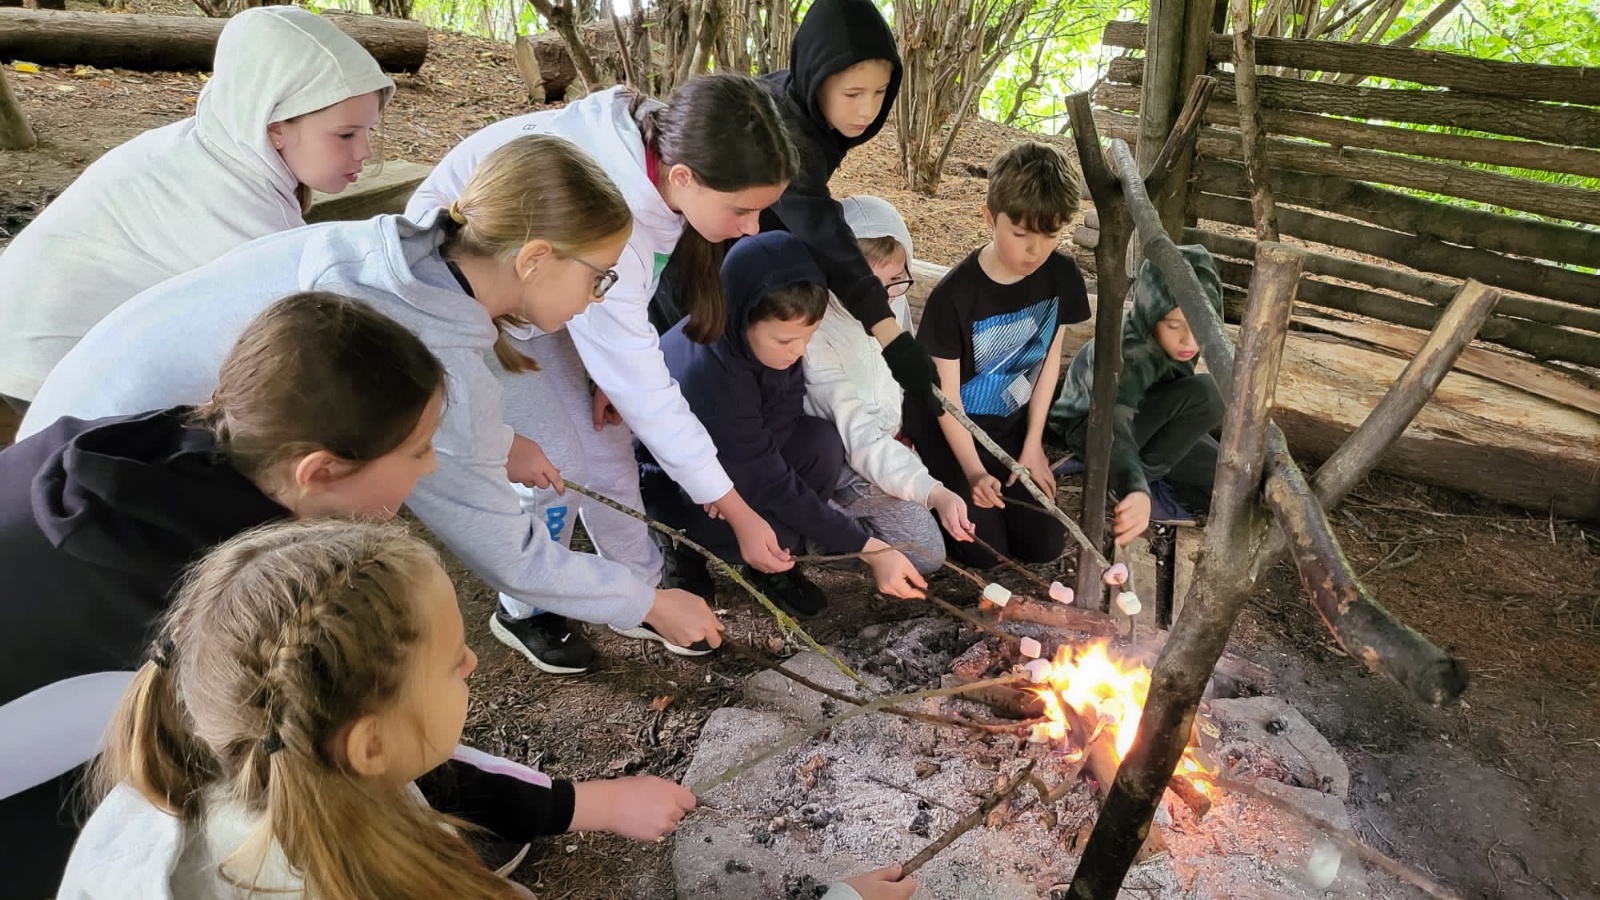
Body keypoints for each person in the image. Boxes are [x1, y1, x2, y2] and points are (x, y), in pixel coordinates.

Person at [20, 135, 725, 678]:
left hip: (78, 439)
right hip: (119, 501)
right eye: (599, 278)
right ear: (534, 258)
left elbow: (453, 418)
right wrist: (650, 601)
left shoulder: (409, 253)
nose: (598, 297)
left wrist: (500, 442)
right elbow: (511, 556)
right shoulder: (429, 348)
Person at [0, 292, 444, 896]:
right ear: (319, 471)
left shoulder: (183, 444)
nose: (431, 466)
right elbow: (331, 738)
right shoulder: (225, 595)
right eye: (418, 450)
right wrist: (554, 805)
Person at [56, 520, 705, 900]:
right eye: (453, 661)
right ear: (369, 744)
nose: (473, 662)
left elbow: (437, 772)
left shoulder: (260, 740)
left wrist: (601, 804)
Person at [406, 74, 796, 671]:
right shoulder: (620, 213)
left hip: (550, 291)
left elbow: (619, 330)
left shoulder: (657, 161)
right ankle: (527, 608)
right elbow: (643, 381)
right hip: (477, 300)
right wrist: (735, 509)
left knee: (608, 448)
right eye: (741, 209)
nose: (753, 227)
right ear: (683, 178)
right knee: (556, 463)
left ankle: (637, 590)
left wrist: (603, 369)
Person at [0, 6, 393, 412]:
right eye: (346, 135)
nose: (364, 151)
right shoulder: (227, 202)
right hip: (50, 372)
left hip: (42, 349)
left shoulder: (208, 148)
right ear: (274, 128)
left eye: (368, 130)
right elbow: (299, 334)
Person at [647, 232, 927, 616]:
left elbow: (780, 426)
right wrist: (868, 547)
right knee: (734, 514)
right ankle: (681, 545)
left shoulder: (774, 348)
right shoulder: (712, 371)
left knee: (820, 443)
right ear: (743, 314)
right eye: (785, 341)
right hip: (673, 478)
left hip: (738, 454)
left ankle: (774, 558)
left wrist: (755, 481)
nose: (798, 351)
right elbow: (763, 473)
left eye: (807, 337)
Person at [746, 0, 943, 415]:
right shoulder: (783, 131)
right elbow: (824, 233)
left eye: (880, 92)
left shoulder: (809, 109)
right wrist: (892, 338)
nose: (867, 110)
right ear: (815, 80)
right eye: (852, 93)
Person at [904, 141, 1090, 570]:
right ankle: (917, 490)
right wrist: (972, 471)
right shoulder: (955, 295)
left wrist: (1033, 446)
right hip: (947, 431)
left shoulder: (1062, 275)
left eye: (1051, 235)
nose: (1035, 250)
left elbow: (1048, 363)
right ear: (990, 218)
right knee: (985, 552)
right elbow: (946, 399)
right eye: (1021, 234)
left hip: (1007, 430)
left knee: (1043, 545)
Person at [802, 195, 974, 576]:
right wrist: (931, 491)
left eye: (895, 281)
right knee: (926, 555)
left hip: (887, 446)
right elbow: (860, 436)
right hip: (845, 457)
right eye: (871, 287)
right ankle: (815, 525)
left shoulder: (894, 302)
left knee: (932, 536)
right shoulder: (816, 332)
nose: (884, 299)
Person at [1049, 245, 1226, 544]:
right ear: (1150, 312)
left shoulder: (1178, 342)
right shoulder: (1131, 353)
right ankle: (1135, 478)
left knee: (1222, 475)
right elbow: (1115, 420)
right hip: (1091, 427)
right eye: (1174, 325)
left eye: (1198, 325)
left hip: (1147, 417)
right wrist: (1135, 486)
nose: (1188, 339)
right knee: (1212, 393)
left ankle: (1142, 471)